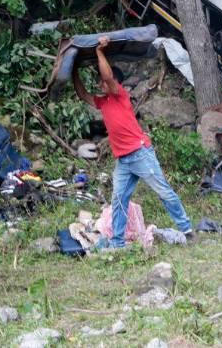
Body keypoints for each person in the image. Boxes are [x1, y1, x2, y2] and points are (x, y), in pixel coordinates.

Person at [72, 36, 192, 249]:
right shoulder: (103, 101)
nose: (100, 84)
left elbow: (108, 76)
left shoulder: (120, 95)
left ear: (114, 83)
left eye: (102, 81)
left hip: (140, 153)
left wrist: (100, 52)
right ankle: (117, 243)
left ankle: (187, 230)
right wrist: (73, 71)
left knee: (164, 192)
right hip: (124, 161)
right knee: (118, 201)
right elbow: (83, 95)